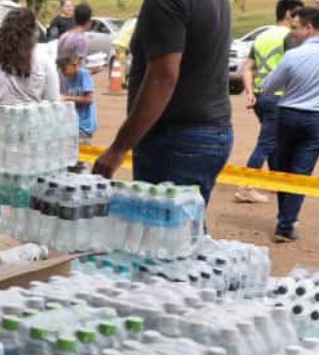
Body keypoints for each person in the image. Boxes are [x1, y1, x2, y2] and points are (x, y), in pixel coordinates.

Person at [92, 0, 233, 207]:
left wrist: (118, 149)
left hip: (175, 139)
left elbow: (163, 77)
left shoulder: (164, 2)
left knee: (161, 233)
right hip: (209, 131)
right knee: (185, 230)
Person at [262, 6, 319, 242]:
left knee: (282, 170)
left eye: (295, 28)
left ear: (309, 28)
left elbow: (269, 86)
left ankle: (285, 218)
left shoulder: (292, 56)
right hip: (317, 119)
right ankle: (286, 224)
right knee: (301, 172)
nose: (292, 33)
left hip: (288, 115)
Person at [236, 0, 303, 204]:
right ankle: (246, 186)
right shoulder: (290, 37)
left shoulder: (262, 36)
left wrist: (249, 92)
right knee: (267, 142)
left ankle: (276, 180)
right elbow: (295, 67)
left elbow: (247, 67)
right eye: (299, 13)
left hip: (259, 96)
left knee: (272, 139)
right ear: (290, 13)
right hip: (279, 97)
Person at [0, 7, 61, 106]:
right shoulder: (44, 62)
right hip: (34, 119)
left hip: (0, 119)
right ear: (33, 32)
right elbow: (53, 101)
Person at [59, 53, 96, 142]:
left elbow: (89, 99)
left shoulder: (83, 74)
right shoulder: (69, 78)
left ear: (74, 65)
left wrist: (67, 98)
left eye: (64, 69)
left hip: (85, 125)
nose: (63, 72)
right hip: (75, 124)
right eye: (61, 70)